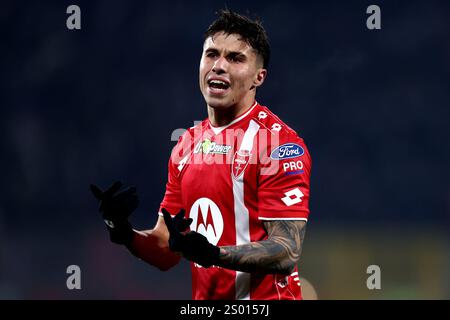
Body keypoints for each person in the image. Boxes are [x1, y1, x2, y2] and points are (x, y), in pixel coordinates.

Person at [91, 9, 312, 300]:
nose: (219, 66)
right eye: (211, 54)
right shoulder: (187, 145)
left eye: (235, 58)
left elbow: (286, 250)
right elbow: (166, 248)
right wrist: (123, 230)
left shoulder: (279, 146)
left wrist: (213, 254)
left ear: (259, 77)